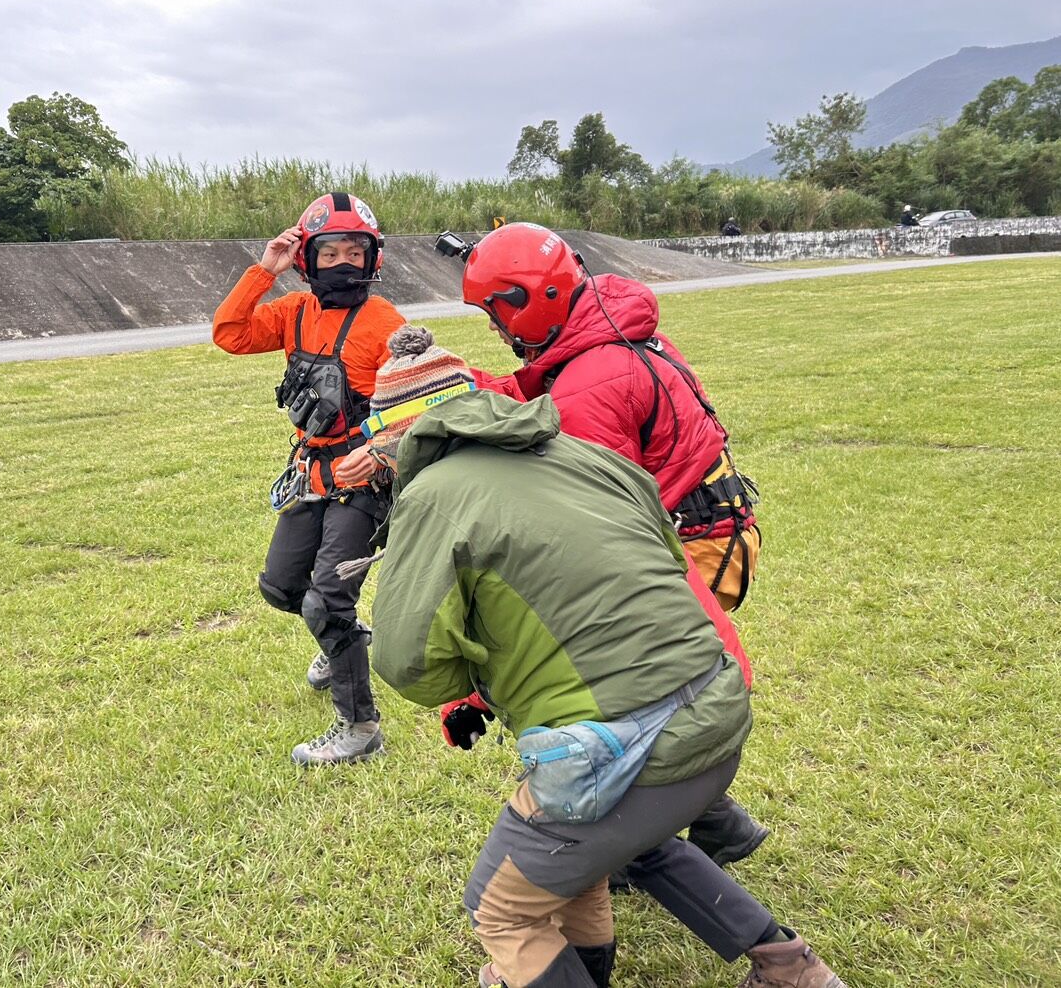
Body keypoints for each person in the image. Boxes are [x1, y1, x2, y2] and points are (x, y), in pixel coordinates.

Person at [357, 325, 847, 988]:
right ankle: (788, 968)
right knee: (602, 844)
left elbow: (407, 663)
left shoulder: (432, 496)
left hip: (630, 751)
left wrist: (488, 672)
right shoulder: (585, 454)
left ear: (397, 436)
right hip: (718, 708)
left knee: (501, 908)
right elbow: (667, 559)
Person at [461, 223, 767, 883]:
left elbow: (586, 516)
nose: (493, 327)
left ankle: (639, 841)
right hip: (711, 529)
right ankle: (721, 824)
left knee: (622, 692)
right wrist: (464, 385)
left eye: (494, 312)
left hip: (694, 550)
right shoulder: (606, 335)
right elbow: (543, 389)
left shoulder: (593, 382)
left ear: (531, 301)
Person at [212, 192, 402, 765]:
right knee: (281, 587)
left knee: (327, 598)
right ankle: (343, 641)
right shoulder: (293, 311)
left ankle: (360, 728)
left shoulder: (386, 323)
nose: (343, 263)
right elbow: (230, 334)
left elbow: (421, 406)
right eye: (330, 252)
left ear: (372, 258)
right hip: (310, 469)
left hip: (364, 479)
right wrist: (264, 271)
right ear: (307, 258)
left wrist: (380, 454)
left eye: (354, 252)